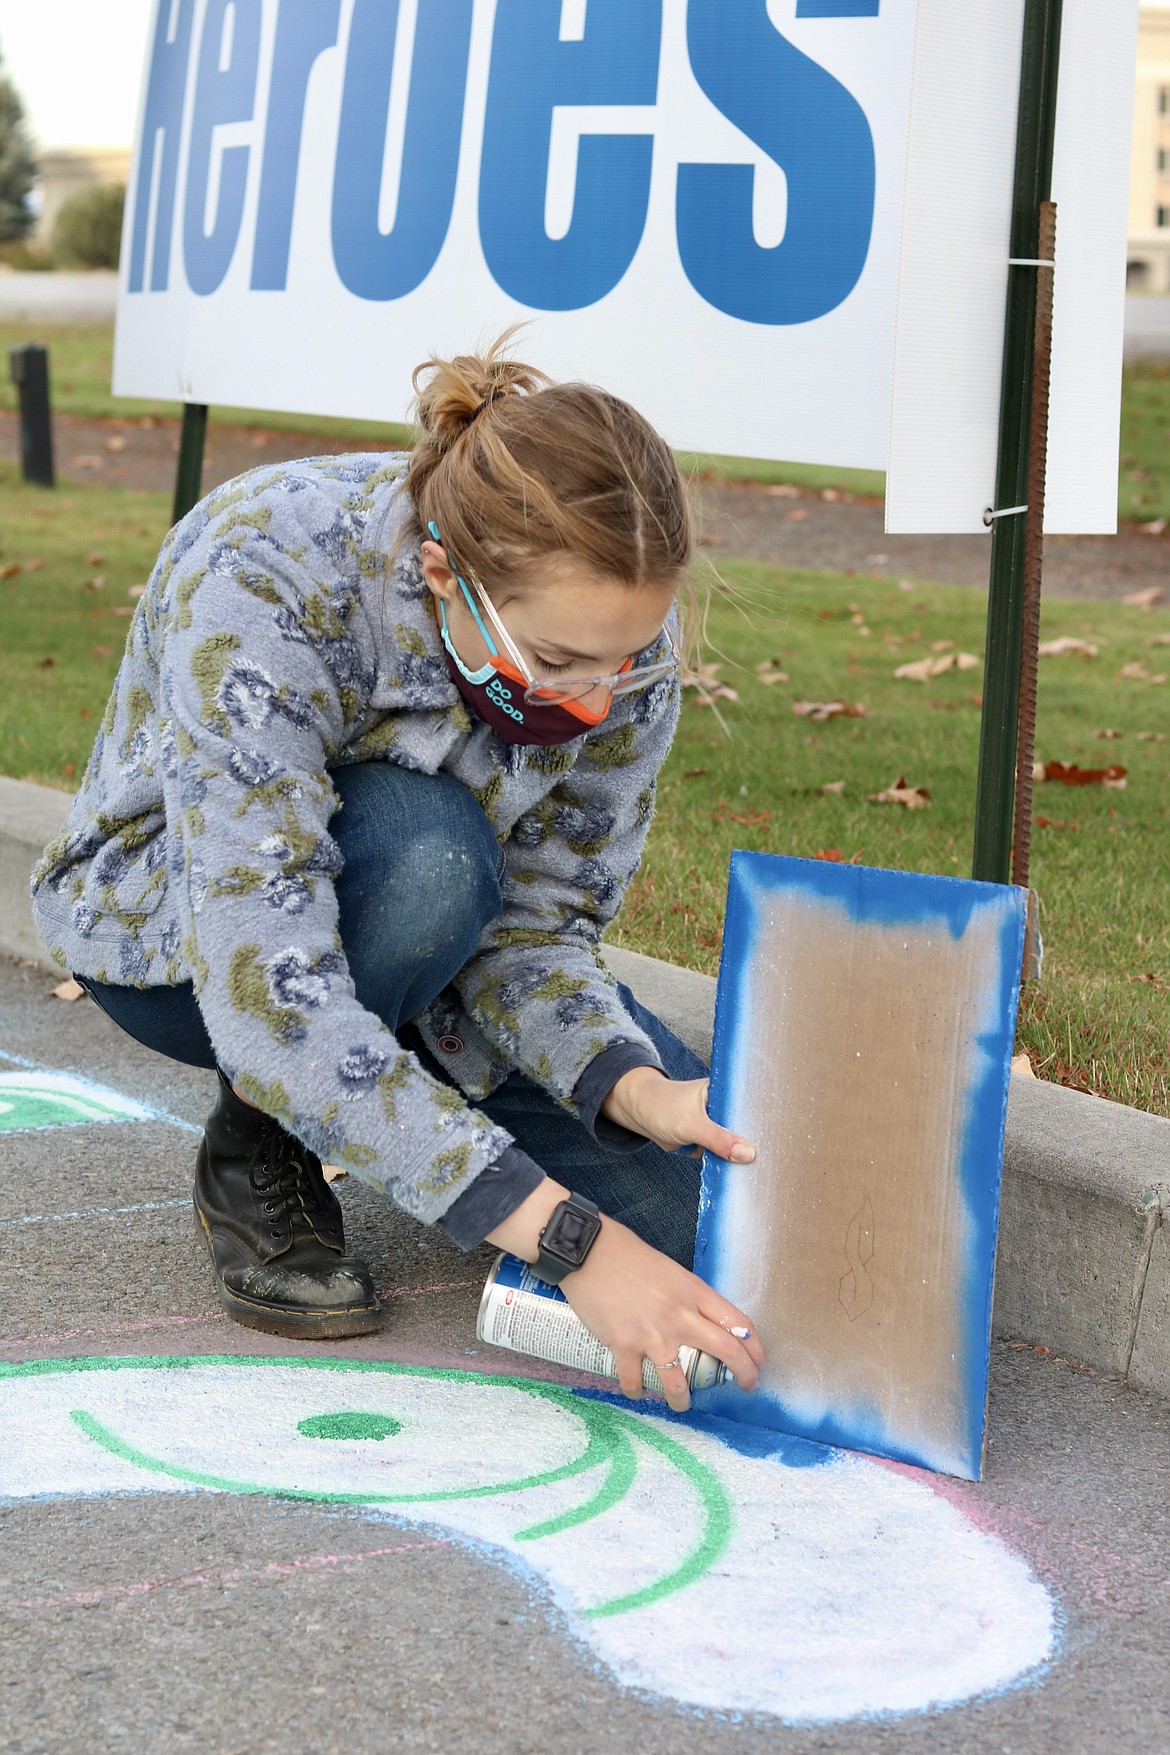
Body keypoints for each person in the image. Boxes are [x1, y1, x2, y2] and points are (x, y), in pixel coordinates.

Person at [30, 336, 763, 1413]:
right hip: (190, 946)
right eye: (558, 666)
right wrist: (567, 1244)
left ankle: (397, 1074)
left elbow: (535, 932)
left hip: (448, 953)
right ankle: (262, 1137)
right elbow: (270, 993)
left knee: (716, 1242)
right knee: (430, 859)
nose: (599, 702)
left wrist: (630, 1086)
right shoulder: (266, 570)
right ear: (440, 575)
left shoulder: (616, 648)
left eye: (625, 661)